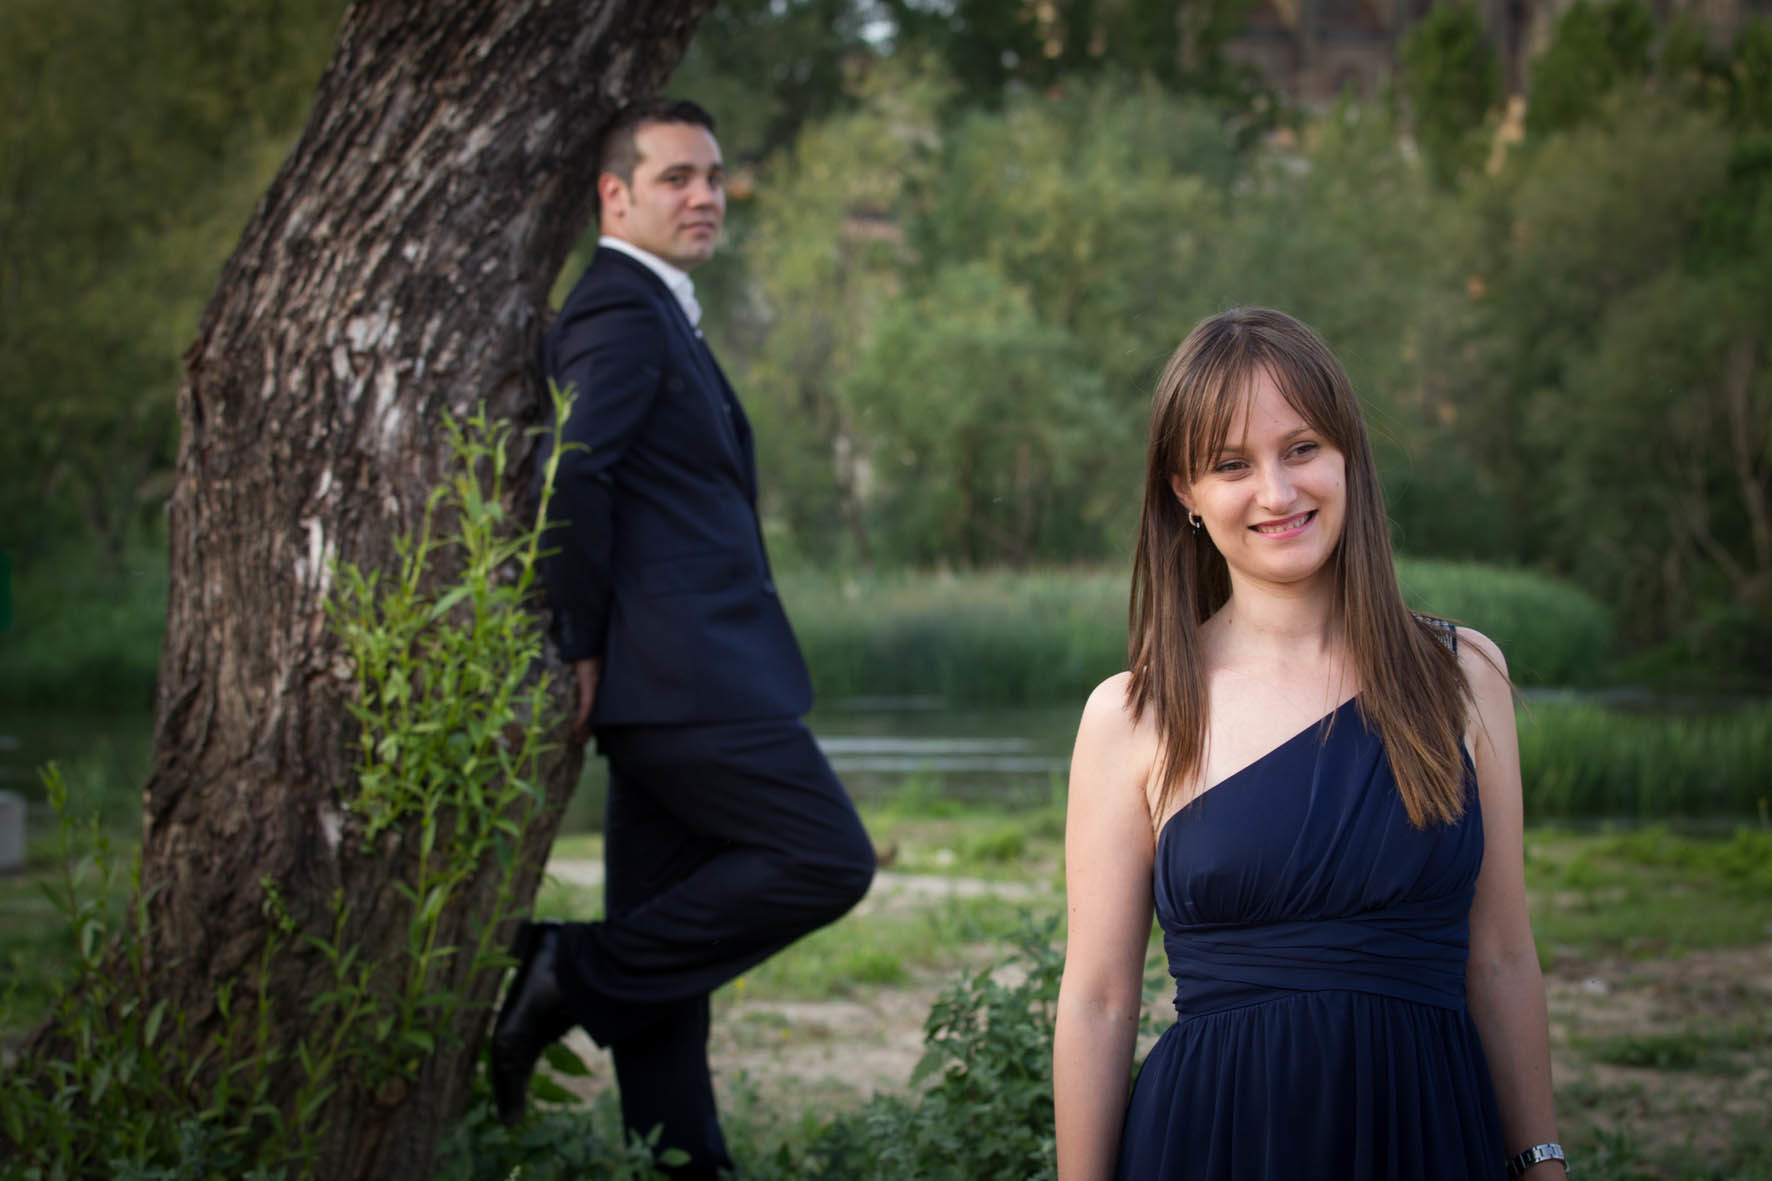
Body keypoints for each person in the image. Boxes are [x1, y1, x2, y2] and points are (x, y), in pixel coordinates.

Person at [1052, 308, 1563, 1180]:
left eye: (1302, 449)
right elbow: (1099, 1002)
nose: (1278, 493)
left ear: (1348, 457)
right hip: (1214, 1143)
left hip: (1429, 1132)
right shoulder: (1132, 714)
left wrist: (1543, 1164)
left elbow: (1504, 953)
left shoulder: (1463, 673)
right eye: (1231, 464)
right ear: (1185, 491)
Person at [490, 97, 875, 1179]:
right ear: (613, 195)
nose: (703, 195)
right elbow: (573, 472)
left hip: (678, 679)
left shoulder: (657, 310)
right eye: (674, 178)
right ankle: (567, 967)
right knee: (825, 856)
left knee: (670, 969)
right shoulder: (618, 309)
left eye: (711, 176)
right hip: (686, 681)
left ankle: (680, 1163)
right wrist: (576, 635)